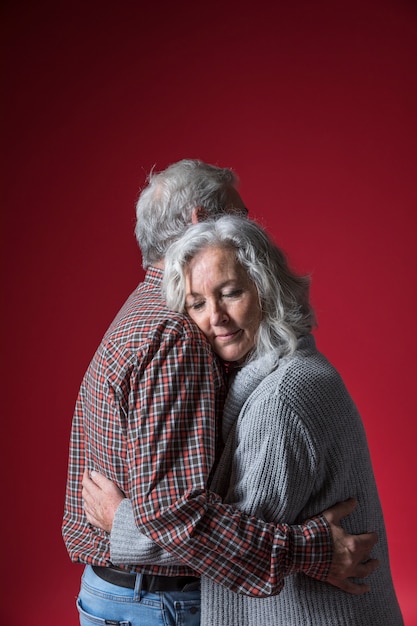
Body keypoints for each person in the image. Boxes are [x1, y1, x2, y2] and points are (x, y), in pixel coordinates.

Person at [63, 160, 379, 626]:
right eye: (242, 214)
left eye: (230, 293)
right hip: (155, 602)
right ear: (201, 222)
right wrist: (314, 551)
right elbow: (177, 518)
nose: (214, 316)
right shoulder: (176, 336)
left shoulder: (145, 314)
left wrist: (121, 519)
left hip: (137, 595)